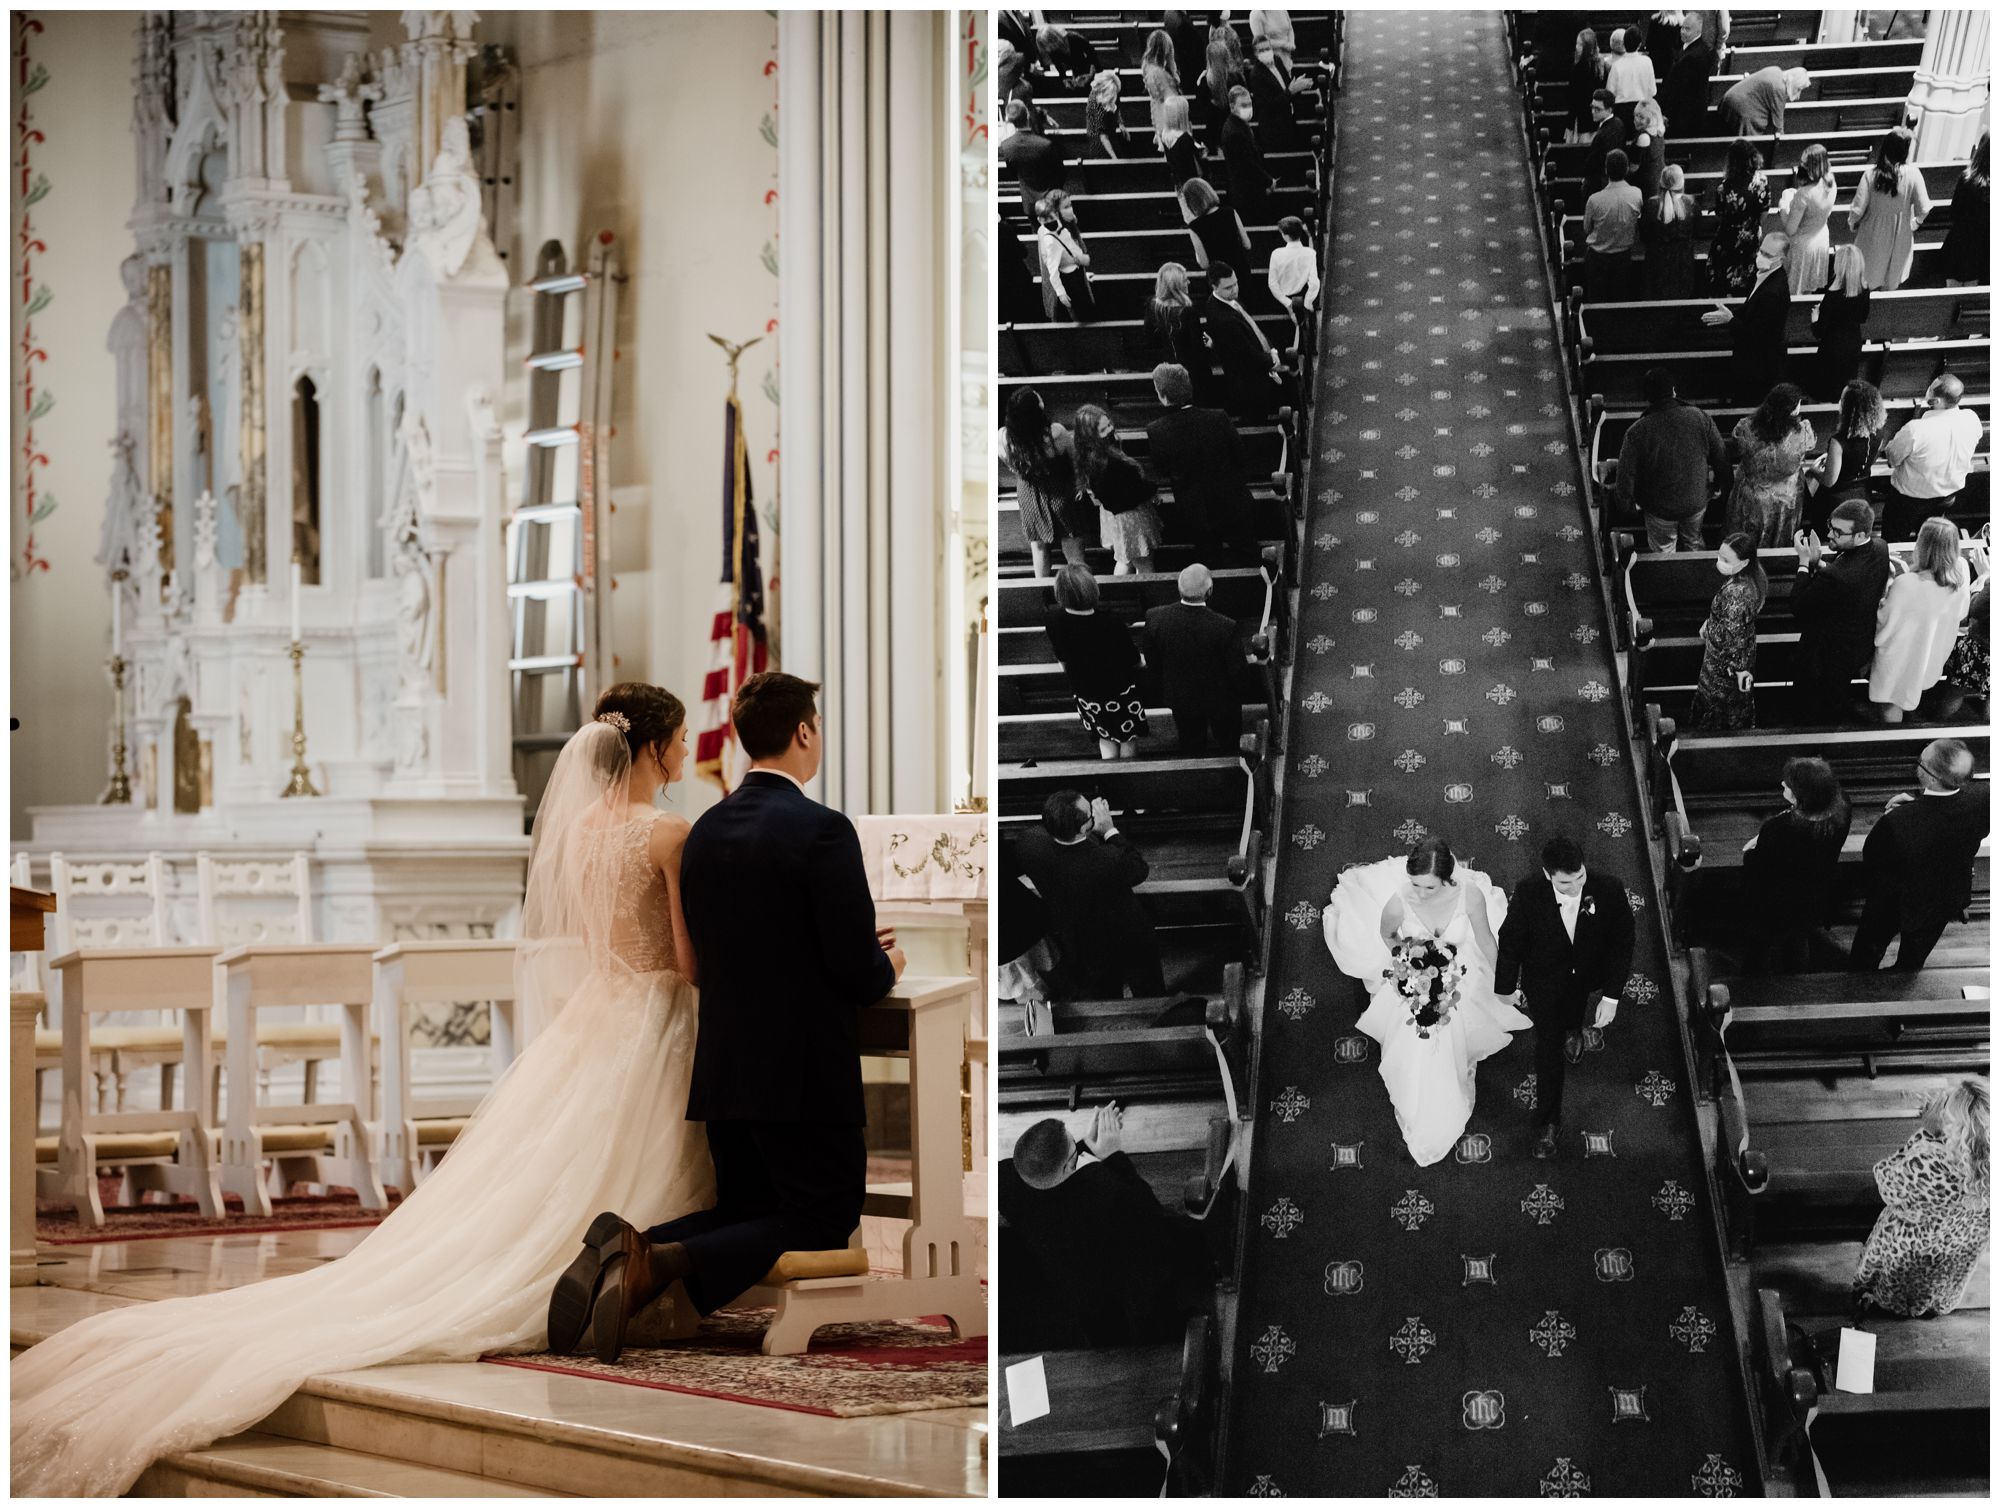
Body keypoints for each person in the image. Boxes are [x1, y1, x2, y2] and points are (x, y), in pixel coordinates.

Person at [12, 683, 781, 1494]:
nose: (681, 753)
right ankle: (642, 1277)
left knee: (549, 1165)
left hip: (598, 1011)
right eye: (678, 740)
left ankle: (615, 1274)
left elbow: (591, 944)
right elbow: (689, 964)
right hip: (654, 1016)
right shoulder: (668, 834)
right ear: (658, 748)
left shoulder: (579, 833)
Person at [596, 672, 911, 1361]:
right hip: (800, 1075)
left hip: (725, 1070)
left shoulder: (706, 830)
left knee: (745, 1209)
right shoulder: (822, 831)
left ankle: (622, 1252)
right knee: (822, 1216)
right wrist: (888, 964)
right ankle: (649, 1261)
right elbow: (857, 974)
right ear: (804, 731)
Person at [1322, 838, 1534, 1167]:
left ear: (1449, 880)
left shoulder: (1469, 896)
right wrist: (1407, 963)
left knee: (1454, 1028)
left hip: (1459, 970)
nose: (1419, 893)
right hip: (1417, 970)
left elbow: (1485, 940)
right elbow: (1388, 935)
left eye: (1429, 887)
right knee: (1418, 1038)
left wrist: (1504, 983)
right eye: (1416, 884)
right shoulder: (1400, 901)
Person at [1000, 1107, 1216, 1345]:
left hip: (1082, 1306)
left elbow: (1050, 1166)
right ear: (1068, 1167)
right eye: (1074, 1149)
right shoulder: (1104, 1193)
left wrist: (1087, 1147)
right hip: (1126, 1307)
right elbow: (1151, 1217)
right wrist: (1113, 1155)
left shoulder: (1006, 1179)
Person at [1493, 836, 1635, 1161]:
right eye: (1565, 883)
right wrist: (1504, 987)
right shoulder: (1528, 892)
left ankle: (1574, 1029)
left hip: (1586, 975)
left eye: (1580, 879)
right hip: (1543, 981)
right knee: (1548, 1048)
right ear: (1548, 876)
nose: (1575, 888)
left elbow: (1622, 941)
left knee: (1575, 1008)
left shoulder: (1608, 887)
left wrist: (1612, 996)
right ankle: (1549, 1122)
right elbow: (1511, 940)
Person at [1854, 1080, 1991, 1317]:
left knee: (1897, 1290)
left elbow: (1886, 1181)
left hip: (1910, 1252)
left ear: (1956, 1129)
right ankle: (1934, 1307)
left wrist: (1928, 1132)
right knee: (1936, 1286)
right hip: (1954, 1255)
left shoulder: (1930, 1164)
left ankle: (1885, 1307)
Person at [1851, 738, 1989, 971]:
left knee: (1870, 945)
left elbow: (1873, 859)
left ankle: (1861, 979)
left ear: (1931, 778)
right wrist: (1918, 805)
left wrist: (1904, 813)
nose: (1917, 765)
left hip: (1897, 901)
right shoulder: (1985, 796)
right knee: (1915, 955)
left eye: (1921, 762)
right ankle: (1904, 976)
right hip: (1945, 896)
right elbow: (1949, 819)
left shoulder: (1896, 822)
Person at [1015, 789, 1165, 998]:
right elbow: (1139, 868)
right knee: (1148, 987)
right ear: (1084, 827)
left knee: (1103, 991)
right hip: (1126, 936)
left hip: (1080, 939)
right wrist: (1110, 830)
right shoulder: (1108, 861)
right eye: (1090, 814)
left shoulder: (1028, 843)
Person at [1740, 756, 1854, 972]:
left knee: (1763, 940)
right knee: (1800, 936)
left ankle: (1754, 978)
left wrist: (1751, 852)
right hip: (1815, 889)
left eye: (1789, 784)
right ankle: (1797, 976)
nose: (1783, 784)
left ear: (1803, 796)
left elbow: (1759, 868)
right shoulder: (1842, 806)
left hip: (1778, 897)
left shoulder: (1780, 829)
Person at [1791, 497, 1895, 722]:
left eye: (1838, 532)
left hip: (1828, 653)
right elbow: (1853, 580)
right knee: (1836, 694)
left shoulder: (1835, 577)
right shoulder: (1880, 547)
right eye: (1830, 526)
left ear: (1859, 535)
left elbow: (1798, 606)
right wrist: (1819, 564)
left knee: (1818, 703)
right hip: (1859, 642)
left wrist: (1803, 562)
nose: (1829, 534)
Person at [1614, 365, 1729, 551]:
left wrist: (1627, 507)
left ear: (1647, 398)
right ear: (1674, 391)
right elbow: (1721, 459)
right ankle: (1697, 572)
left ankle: (1667, 576)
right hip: (1695, 500)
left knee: (1663, 551)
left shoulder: (1637, 431)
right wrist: (1720, 488)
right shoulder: (1700, 417)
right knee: (1693, 541)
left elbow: (1625, 475)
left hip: (1659, 507)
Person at [1869, 517, 1972, 722]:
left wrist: (1888, 582)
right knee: (1912, 690)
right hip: (1929, 653)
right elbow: (1960, 613)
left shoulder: (1906, 584)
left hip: (1899, 657)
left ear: (1922, 545)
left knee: (1891, 702)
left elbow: (1884, 622)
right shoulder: (1960, 571)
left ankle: (1893, 740)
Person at [1146, 363, 1258, 551]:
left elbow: (1161, 468)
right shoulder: (1218, 417)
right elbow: (1240, 455)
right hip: (1232, 501)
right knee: (1247, 551)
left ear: (1163, 396)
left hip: (1195, 511)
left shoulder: (1156, 430)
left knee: (1209, 559)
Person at [1143, 563, 1246, 754]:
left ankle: (1198, 779)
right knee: (1229, 744)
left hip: (1180, 696)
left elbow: (1152, 661)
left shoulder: (1155, 618)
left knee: (1191, 745)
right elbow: (1237, 671)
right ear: (1210, 591)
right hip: (1220, 700)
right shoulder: (1225, 627)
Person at [1046, 564, 1146, 759]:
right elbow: (1133, 659)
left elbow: (1062, 658)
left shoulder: (1054, 620)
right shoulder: (1110, 621)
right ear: (1092, 589)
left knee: (1105, 736)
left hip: (1085, 691)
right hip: (1117, 690)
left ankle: (1113, 777)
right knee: (1128, 737)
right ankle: (1130, 776)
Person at [1880, 374, 1985, 543]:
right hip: (1946, 496)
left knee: (1893, 540)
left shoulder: (1916, 430)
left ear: (1934, 402)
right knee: (1928, 541)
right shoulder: (1971, 419)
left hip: (1908, 500)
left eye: (1930, 389)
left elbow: (1893, 458)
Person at [1004, 386, 1089, 579]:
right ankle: (1082, 589)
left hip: (1029, 495)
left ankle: (1043, 591)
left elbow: (1009, 464)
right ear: (1037, 410)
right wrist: (1079, 483)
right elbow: (1074, 459)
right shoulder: (1055, 433)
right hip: (1060, 492)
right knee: (1071, 542)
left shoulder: (1004, 437)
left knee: (1039, 548)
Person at [1072, 402, 1163, 574]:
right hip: (1130, 516)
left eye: (1109, 425)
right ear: (1091, 435)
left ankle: (1121, 589)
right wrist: (1152, 490)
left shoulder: (1091, 454)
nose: (1110, 430)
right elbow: (1132, 491)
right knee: (1143, 563)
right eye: (1103, 429)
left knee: (1126, 559)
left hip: (1118, 515)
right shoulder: (1107, 464)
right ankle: (1145, 593)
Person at [1689, 532, 1769, 728]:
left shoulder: (1736, 595)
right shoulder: (1747, 578)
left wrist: (1737, 669)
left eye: (1725, 559)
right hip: (1729, 658)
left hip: (1723, 667)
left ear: (1743, 563)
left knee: (1717, 710)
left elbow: (1734, 636)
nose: (1719, 562)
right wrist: (1711, 622)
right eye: (1719, 555)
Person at [1702, 230, 1791, 404]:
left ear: (1780, 259)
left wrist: (1730, 320)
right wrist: (1733, 313)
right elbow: (1751, 306)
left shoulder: (1773, 291)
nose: (1761, 256)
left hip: (1759, 366)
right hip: (1754, 362)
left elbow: (1756, 335)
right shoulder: (1766, 276)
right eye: (1761, 250)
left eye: (1768, 254)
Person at [1726, 381, 1813, 547]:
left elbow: (1737, 450)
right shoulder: (1802, 432)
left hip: (1753, 496)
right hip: (1786, 498)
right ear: (1793, 409)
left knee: (1746, 538)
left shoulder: (1746, 428)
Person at [1848, 126, 1932, 293]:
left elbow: (1857, 210)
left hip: (1872, 235)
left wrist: (1852, 223)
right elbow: (1924, 208)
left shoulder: (1871, 175)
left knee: (1866, 279)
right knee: (1890, 281)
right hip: (1900, 236)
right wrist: (1915, 223)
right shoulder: (1914, 174)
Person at [1202, 260, 1288, 422]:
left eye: (1236, 284)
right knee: (1256, 418)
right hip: (1248, 383)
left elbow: (1250, 328)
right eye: (1228, 287)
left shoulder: (1222, 300)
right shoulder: (1224, 320)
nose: (1235, 290)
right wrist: (1272, 358)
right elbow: (1246, 355)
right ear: (1214, 287)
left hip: (1250, 372)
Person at [1804, 379, 1885, 535]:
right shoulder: (1879, 432)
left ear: (1850, 409)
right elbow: (1866, 459)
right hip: (1863, 490)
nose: (1840, 403)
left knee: (1827, 533)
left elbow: (1829, 481)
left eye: (1842, 400)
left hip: (1836, 499)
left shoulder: (1839, 441)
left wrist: (1814, 470)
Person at [1146, 262, 1220, 406]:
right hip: (1191, 371)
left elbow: (1150, 340)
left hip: (1167, 366)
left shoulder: (1152, 306)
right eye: (1185, 279)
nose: (1189, 282)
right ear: (1176, 286)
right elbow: (1198, 350)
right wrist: (1210, 346)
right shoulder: (1188, 312)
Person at [1704, 139, 1772, 296]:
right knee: (1746, 279)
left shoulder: (1724, 188)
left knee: (1724, 278)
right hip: (1750, 238)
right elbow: (1763, 213)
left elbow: (1721, 215)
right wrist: (1752, 226)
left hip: (1728, 238)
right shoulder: (1762, 181)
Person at [1807, 243, 1871, 403]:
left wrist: (1815, 317)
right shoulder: (1864, 287)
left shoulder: (1832, 295)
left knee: (1825, 386)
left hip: (1832, 346)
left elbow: (1819, 332)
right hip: (1853, 343)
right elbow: (1863, 317)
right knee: (1843, 386)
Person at [1582, 148, 1643, 303]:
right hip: (1623, 257)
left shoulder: (1594, 200)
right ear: (1627, 169)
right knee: (1619, 301)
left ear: (1606, 170)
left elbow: (1586, 229)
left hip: (1598, 258)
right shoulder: (1637, 194)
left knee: (1597, 300)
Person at [999, 99, 1069, 224]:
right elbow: (1061, 174)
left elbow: (1013, 173)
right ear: (1027, 115)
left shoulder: (1006, 146)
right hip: (1050, 200)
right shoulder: (1045, 144)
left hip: (1030, 203)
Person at [1781, 143, 1837, 294]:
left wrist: (1783, 207)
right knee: (1808, 291)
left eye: (1805, 163)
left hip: (1804, 246)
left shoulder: (1804, 194)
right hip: (1820, 239)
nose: (1802, 165)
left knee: (1793, 290)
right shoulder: (1830, 182)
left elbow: (1790, 230)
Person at [1034, 191, 1095, 323]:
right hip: (1066, 282)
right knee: (1078, 315)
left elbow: (1079, 250)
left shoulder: (1067, 225)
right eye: (1066, 207)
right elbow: (1050, 265)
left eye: (1070, 205)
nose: (1071, 210)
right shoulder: (1048, 234)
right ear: (1056, 212)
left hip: (1076, 273)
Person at [1639, 163, 1698, 298]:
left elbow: (1644, 235)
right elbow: (1697, 231)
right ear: (1681, 182)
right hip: (1683, 262)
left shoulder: (1652, 204)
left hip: (1656, 263)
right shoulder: (1691, 203)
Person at [1940, 131, 1989, 287]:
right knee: (1967, 295)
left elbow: (1954, 213)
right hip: (1981, 250)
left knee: (1951, 291)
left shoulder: (1966, 179)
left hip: (1959, 243)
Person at [1267, 215, 1320, 361]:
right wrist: (1307, 303)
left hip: (1282, 301)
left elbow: (1272, 283)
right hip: (1302, 299)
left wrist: (1287, 303)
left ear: (1284, 235)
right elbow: (1314, 282)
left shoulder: (1276, 254)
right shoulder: (1310, 253)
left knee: (1287, 335)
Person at [1219, 84, 1273, 226]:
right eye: (1243, 105)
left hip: (1250, 189)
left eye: (1249, 104)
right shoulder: (1234, 132)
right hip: (1247, 194)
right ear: (1232, 106)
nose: (1248, 108)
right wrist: (1268, 181)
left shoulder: (1240, 124)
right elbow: (1248, 165)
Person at [1938, 575, 1991, 719]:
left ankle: (1940, 726)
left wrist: (1979, 585)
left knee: (1956, 689)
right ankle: (1986, 737)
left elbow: (1976, 610)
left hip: (1980, 647)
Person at [1657, 11, 1716, 139]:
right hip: (1684, 110)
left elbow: (1680, 90)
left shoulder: (1695, 55)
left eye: (1687, 29)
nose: (1682, 31)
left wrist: (1667, 113)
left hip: (1685, 114)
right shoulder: (1691, 47)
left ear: (1697, 31)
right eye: (1682, 27)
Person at [1246, 34, 1307, 153]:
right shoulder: (1256, 75)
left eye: (1268, 48)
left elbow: (1286, 85)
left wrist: (1297, 85)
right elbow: (1269, 106)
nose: (1266, 52)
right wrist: (1291, 91)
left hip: (1288, 119)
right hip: (1274, 129)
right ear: (1255, 54)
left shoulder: (1277, 60)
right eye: (1261, 50)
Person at [1183, 175, 1250, 273]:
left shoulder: (1195, 227)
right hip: (1241, 268)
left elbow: (1204, 264)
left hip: (1219, 275)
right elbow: (1247, 245)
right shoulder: (1230, 212)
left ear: (1191, 202)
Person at [1719, 65, 1811, 137]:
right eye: (1799, 89)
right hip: (1741, 110)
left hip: (1729, 98)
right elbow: (1778, 123)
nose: (1798, 95)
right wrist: (1781, 143)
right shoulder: (1779, 88)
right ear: (1794, 83)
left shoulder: (1776, 70)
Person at [1605, 26, 1658, 129]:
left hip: (1622, 111)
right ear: (1640, 44)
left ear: (1624, 43)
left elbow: (1610, 93)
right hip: (1643, 109)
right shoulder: (1647, 61)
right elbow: (1653, 91)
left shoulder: (1617, 65)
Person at [1140, 28, 1182, 149]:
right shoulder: (1158, 73)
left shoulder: (1148, 66)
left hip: (1159, 112)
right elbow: (1171, 99)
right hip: (1168, 117)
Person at [1582, 88, 1627, 194]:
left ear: (1609, 110)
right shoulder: (1618, 123)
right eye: (1592, 107)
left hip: (1602, 183)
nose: (1593, 112)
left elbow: (1593, 162)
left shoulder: (1602, 134)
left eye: (1597, 109)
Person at [1161, 94, 1207, 192]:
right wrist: (1203, 155)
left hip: (1179, 184)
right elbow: (1196, 169)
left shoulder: (1165, 135)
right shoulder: (1185, 138)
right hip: (1192, 185)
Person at [1034, 23, 1098, 92]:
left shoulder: (1074, 38)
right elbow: (1060, 68)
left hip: (1093, 72)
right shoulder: (1052, 50)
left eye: (1050, 45)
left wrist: (1090, 75)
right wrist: (1065, 79)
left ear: (1055, 38)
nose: (1049, 49)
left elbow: (1094, 58)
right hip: (1076, 73)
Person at [1568, 29, 1607, 141]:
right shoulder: (1601, 66)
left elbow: (1572, 97)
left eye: (1580, 44)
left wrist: (1570, 124)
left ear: (1588, 47)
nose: (1577, 47)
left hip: (1584, 116)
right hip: (1596, 115)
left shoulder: (1579, 68)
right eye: (1577, 43)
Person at [1082, 68, 1128, 160]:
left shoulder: (1113, 89)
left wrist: (1121, 123)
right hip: (1098, 139)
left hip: (1110, 132)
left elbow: (1116, 108)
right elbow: (1103, 136)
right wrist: (1114, 158)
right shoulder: (1097, 106)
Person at [1628, 98, 1668, 201]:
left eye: (1641, 117)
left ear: (1651, 119)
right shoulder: (1659, 131)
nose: (1636, 120)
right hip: (1658, 181)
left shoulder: (1644, 137)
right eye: (1636, 115)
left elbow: (1633, 167)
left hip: (1646, 186)